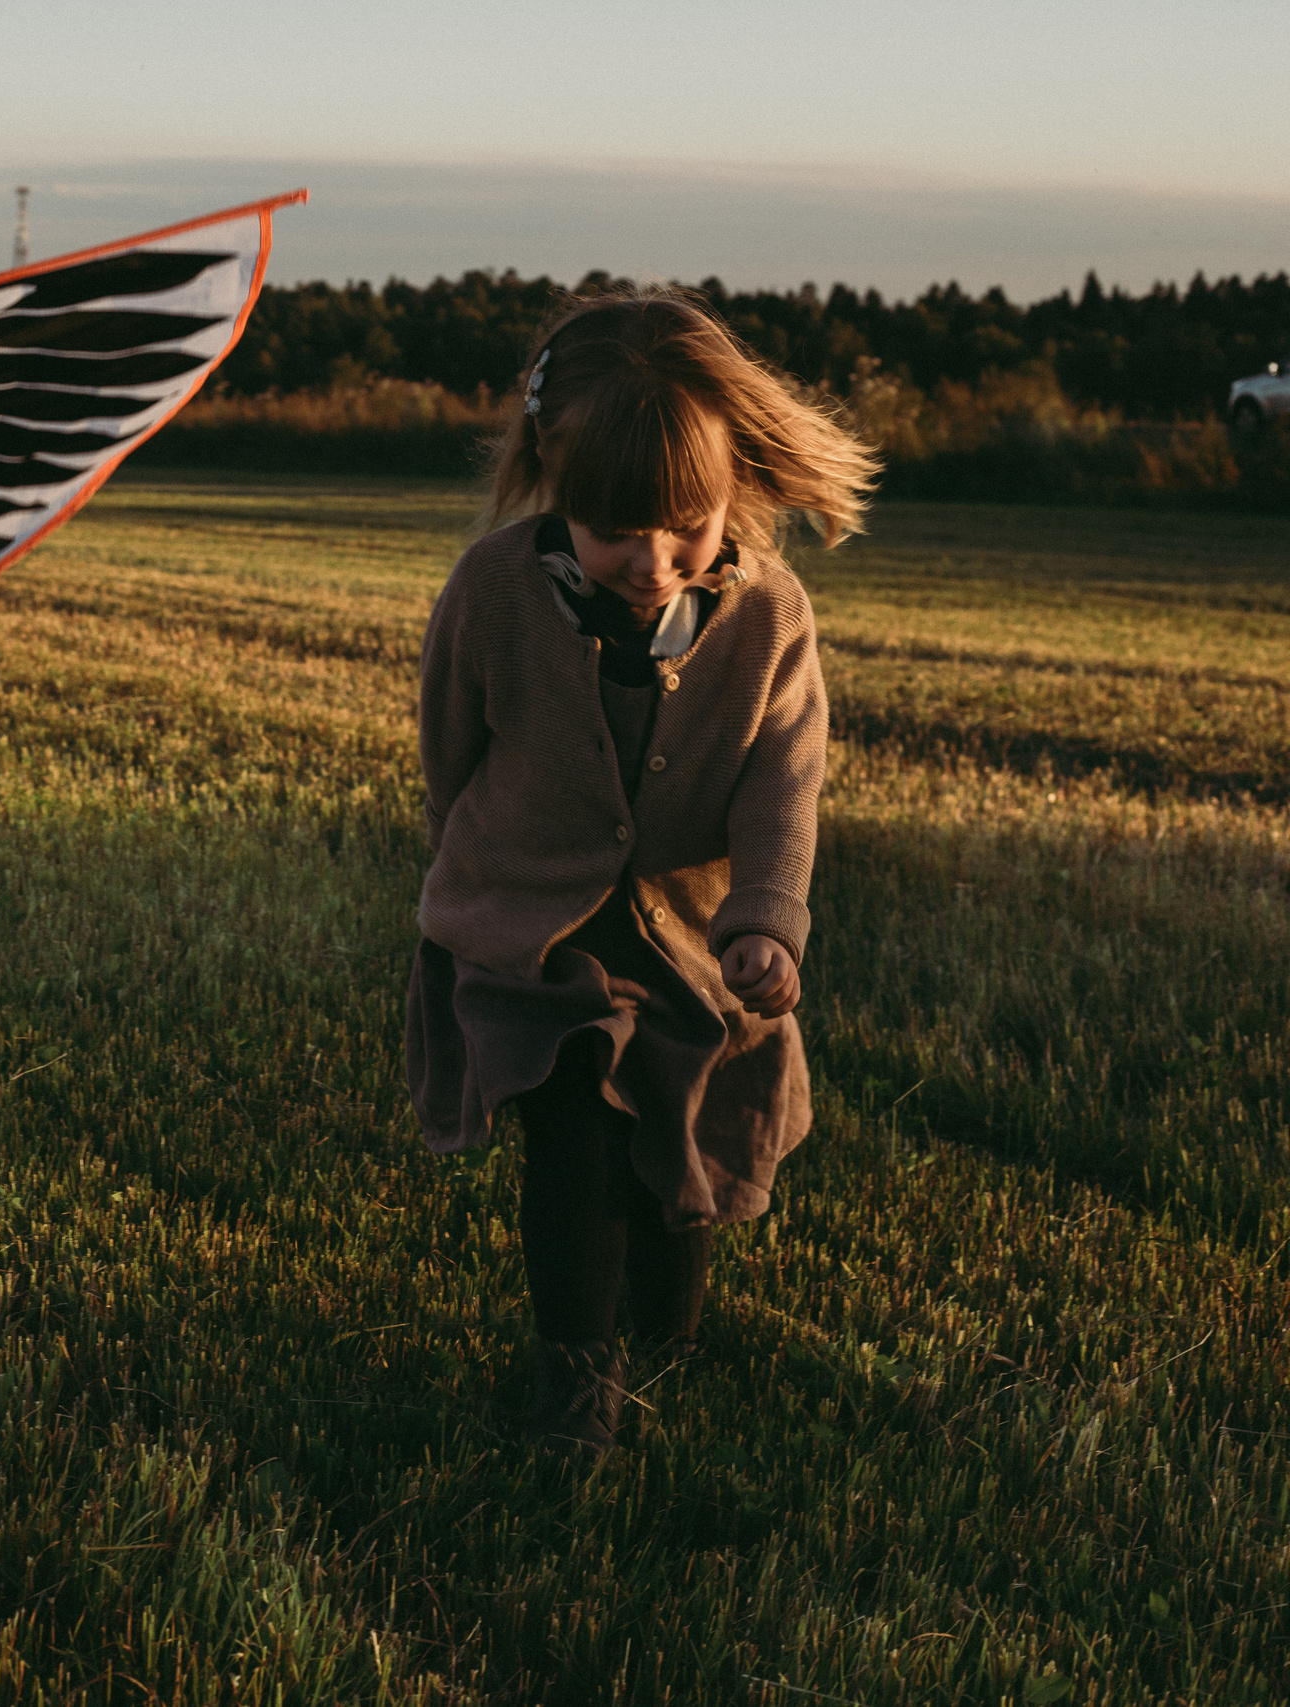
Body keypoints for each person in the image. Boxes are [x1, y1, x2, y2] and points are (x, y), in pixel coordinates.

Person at [404, 291, 878, 1456]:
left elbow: (782, 778)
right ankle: (575, 1382)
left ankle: (668, 1338)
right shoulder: (494, 592)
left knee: (679, 1132)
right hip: (537, 932)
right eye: (614, 529)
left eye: (686, 527)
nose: (652, 563)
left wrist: (765, 918)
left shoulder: (767, 613)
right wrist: (478, 881)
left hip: (693, 933)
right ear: (552, 478)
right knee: (572, 1136)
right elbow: (449, 748)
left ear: (730, 494)